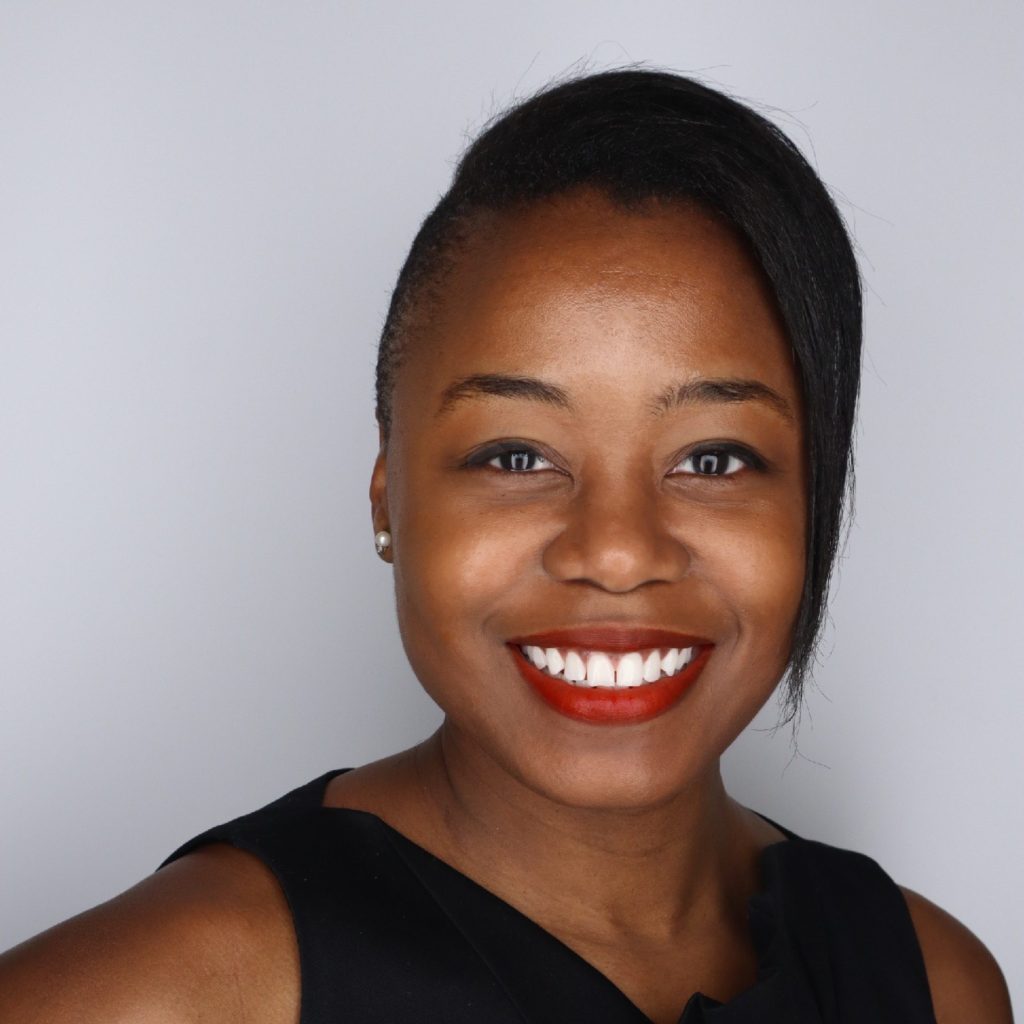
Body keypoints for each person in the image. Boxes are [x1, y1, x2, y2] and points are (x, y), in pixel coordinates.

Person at [0, 69, 1012, 1024]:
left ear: (812, 501)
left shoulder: (933, 986)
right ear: (389, 496)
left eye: (712, 459)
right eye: (517, 455)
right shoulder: (160, 994)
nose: (617, 552)